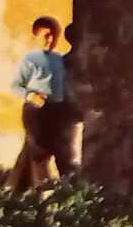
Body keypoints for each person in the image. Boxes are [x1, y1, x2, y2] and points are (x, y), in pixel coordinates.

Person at [7, 16, 79, 190]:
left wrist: (70, 104)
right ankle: (43, 187)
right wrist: (31, 95)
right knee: (38, 149)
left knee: (44, 146)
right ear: (35, 36)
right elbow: (16, 86)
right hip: (36, 110)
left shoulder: (58, 59)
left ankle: (12, 186)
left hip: (56, 110)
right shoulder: (30, 59)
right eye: (45, 35)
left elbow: (64, 83)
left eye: (54, 36)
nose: (50, 40)